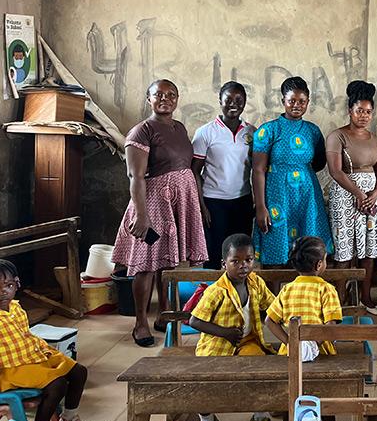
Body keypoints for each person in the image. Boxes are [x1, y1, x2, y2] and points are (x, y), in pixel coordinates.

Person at [113, 79, 207, 347]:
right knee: (145, 264)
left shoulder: (178, 128)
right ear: (148, 98)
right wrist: (142, 216)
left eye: (171, 95)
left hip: (179, 203)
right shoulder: (141, 131)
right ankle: (140, 323)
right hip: (153, 205)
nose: (165, 99)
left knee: (167, 261)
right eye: (158, 95)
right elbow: (135, 176)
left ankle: (164, 316)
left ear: (177, 99)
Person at [188, 234, 277, 421]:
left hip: (248, 342)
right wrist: (225, 332)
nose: (243, 266)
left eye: (248, 260)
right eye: (235, 261)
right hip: (218, 344)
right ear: (223, 264)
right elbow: (194, 321)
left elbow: (273, 306)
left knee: (261, 373)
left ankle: (259, 419)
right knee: (202, 379)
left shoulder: (255, 283)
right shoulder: (216, 291)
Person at [0, 260, 98, 421]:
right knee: (57, 384)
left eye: (8, 285)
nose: (2, 291)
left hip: (34, 357)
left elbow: (25, 336)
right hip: (12, 369)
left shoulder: (16, 307)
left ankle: (69, 419)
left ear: (17, 284)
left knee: (79, 371)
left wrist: (45, 351)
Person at [265, 236, 344, 421]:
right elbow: (331, 326)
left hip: (290, 355)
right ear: (319, 265)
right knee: (323, 394)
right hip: (322, 357)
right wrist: (312, 344)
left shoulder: (287, 289)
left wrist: (290, 342)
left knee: (290, 395)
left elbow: (269, 321)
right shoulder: (327, 289)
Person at [252, 77, 332, 266]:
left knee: (308, 252)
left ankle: (302, 292)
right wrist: (261, 206)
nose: (296, 105)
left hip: (306, 196)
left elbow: (320, 161)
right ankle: (274, 295)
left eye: (302, 101)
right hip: (277, 196)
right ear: (283, 102)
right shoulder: (268, 130)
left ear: (308, 102)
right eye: (292, 101)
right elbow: (257, 169)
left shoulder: (313, 131)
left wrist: (303, 173)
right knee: (275, 248)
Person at [325, 80, 377, 315]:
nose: (364, 115)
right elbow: (335, 171)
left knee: (369, 250)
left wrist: (374, 194)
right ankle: (340, 302)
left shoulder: (374, 138)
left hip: (371, 200)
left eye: (368, 111)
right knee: (344, 250)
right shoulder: (337, 136)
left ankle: (365, 298)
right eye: (359, 110)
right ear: (349, 111)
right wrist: (360, 193)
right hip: (345, 198)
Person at [191, 81, 256, 269]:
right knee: (214, 252)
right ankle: (211, 293)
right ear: (220, 100)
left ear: (244, 103)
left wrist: (256, 201)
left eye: (239, 100)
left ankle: (237, 294)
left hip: (242, 201)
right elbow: (195, 170)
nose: (233, 104)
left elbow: (257, 168)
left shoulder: (251, 132)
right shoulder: (205, 133)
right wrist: (201, 206)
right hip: (214, 202)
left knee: (241, 252)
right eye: (228, 99)